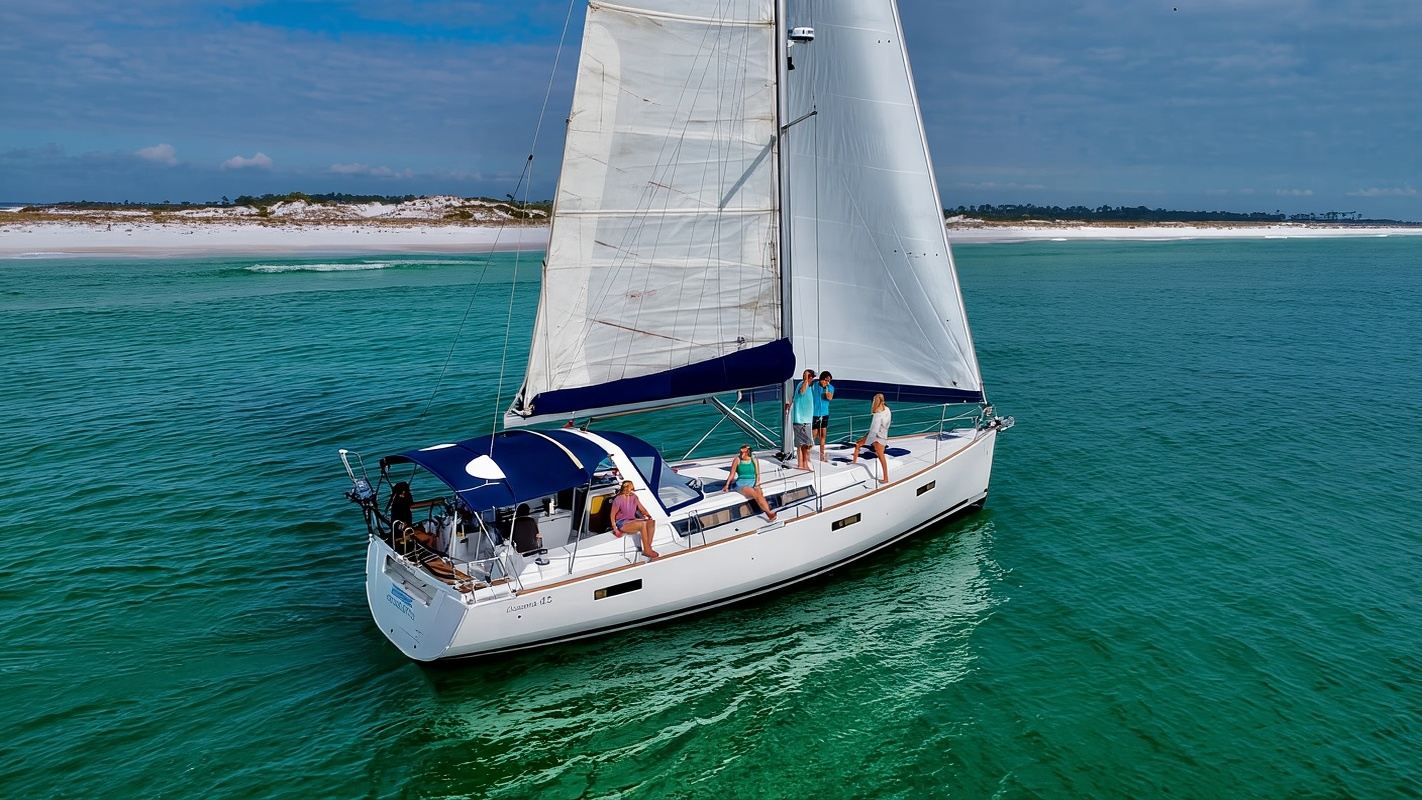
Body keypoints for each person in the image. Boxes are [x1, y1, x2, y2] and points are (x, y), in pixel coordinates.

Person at [724, 445, 777, 522]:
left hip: (753, 482)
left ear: (748, 452)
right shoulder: (737, 460)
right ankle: (768, 513)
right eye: (741, 452)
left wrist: (757, 484)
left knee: (759, 493)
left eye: (744, 452)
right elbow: (732, 474)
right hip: (741, 484)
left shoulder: (754, 459)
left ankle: (765, 511)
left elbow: (757, 474)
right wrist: (727, 485)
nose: (742, 454)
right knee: (753, 492)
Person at [609, 480, 660, 560]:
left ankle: (648, 547)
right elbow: (612, 515)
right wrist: (616, 530)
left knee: (651, 522)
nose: (631, 490)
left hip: (632, 520)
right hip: (621, 523)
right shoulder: (618, 499)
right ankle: (647, 550)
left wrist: (648, 515)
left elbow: (642, 509)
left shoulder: (634, 497)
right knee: (642, 524)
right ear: (625, 488)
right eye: (630, 488)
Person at [850, 393, 893, 483]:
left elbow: (874, 429)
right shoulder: (887, 409)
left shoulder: (878, 413)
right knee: (881, 456)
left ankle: (886, 478)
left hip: (877, 437)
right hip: (883, 436)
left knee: (859, 444)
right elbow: (887, 424)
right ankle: (886, 477)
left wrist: (867, 439)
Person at [389, 481, 440, 549]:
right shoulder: (402, 499)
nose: (410, 491)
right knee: (431, 537)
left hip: (404, 529)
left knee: (423, 529)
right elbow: (412, 505)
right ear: (404, 492)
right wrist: (434, 502)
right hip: (403, 532)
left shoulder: (396, 501)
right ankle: (432, 554)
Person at [785, 368, 816, 470]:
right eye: (804, 375)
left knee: (806, 445)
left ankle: (804, 463)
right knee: (802, 444)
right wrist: (806, 379)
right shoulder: (802, 385)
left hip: (806, 420)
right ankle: (802, 465)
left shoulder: (810, 387)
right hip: (800, 420)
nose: (804, 376)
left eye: (806, 375)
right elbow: (802, 392)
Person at [811, 371, 835, 462]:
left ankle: (822, 455)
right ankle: (808, 453)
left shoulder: (830, 387)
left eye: (829, 381)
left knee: (823, 435)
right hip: (814, 414)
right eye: (826, 380)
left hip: (824, 414)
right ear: (821, 379)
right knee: (814, 435)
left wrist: (826, 388)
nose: (827, 382)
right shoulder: (814, 385)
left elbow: (829, 398)